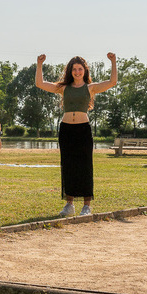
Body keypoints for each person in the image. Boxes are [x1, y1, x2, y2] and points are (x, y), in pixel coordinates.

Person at [35, 53, 117, 217]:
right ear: (70, 71)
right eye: (74, 69)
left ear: (84, 71)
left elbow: (112, 82)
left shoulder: (90, 87)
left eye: (80, 69)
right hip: (66, 130)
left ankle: (86, 206)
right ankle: (69, 204)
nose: (77, 72)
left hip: (83, 130)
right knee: (68, 166)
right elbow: (40, 83)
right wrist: (39, 64)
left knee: (85, 166)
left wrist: (113, 62)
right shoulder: (64, 88)